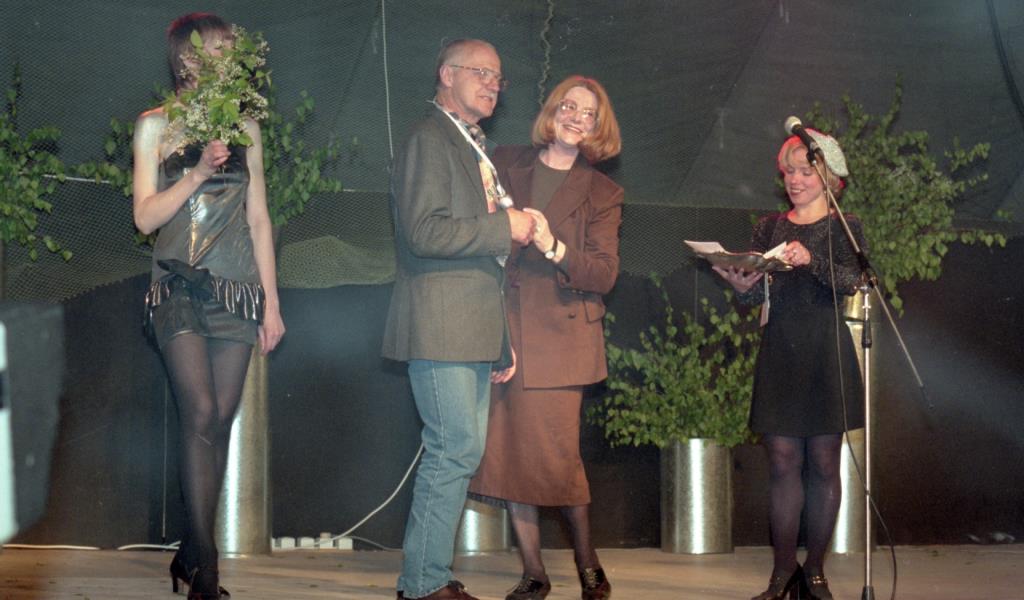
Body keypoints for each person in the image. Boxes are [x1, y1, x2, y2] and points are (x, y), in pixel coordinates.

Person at [132, 12, 284, 600]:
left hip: (236, 290)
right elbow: (145, 217)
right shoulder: (155, 125)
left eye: (234, 51)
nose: (232, 59)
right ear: (188, 57)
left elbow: (259, 220)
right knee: (198, 411)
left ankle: (190, 553)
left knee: (219, 419)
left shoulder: (246, 127)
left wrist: (272, 304)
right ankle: (208, 568)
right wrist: (195, 172)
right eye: (222, 49)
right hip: (176, 285)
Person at [381, 38, 536, 600]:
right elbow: (424, 232)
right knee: (452, 450)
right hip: (441, 322)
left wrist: (500, 338)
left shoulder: (469, 145)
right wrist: (506, 227)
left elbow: (478, 255)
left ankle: (430, 577)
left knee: (461, 452)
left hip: (470, 324)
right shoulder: (429, 138)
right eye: (481, 72)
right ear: (446, 75)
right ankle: (423, 584)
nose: (493, 84)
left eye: (499, 77)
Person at [468, 75, 623, 600]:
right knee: (510, 456)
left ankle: (587, 561)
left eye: (588, 113)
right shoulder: (505, 160)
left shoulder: (603, 192)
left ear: (599, 127)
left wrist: (554, 246)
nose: (577, 118)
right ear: (552, 110)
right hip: (504, 331)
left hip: (562, 340)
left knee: (558, 459)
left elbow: (604, 274)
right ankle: (534, 571)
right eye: (569, 106)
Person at [714, 131, 866, 600]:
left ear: (828, 177)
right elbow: (757, 295)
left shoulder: (844, 226)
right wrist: (741, 286)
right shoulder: (769, 227)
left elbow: (854, 281)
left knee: (823, 462)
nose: (795, 180)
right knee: (782, 462)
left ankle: (814, 572)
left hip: (825, 351)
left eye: (805, 172)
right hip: (780, 349)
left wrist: (811, 259)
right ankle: (782, 573)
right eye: (789, 172)